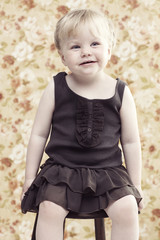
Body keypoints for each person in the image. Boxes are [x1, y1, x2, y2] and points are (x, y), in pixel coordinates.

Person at [21, 9, 143, 240]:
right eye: (75, 46)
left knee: (126, 207)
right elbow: (38, 135)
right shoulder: (56, 87)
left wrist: (135, 186)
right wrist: (30, 177)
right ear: (63, 56)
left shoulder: (121, 92)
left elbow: (131, 141)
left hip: (109, 173)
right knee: (49, 208)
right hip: (61, 171)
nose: (86, 52)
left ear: (109, 49)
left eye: (95, 43)